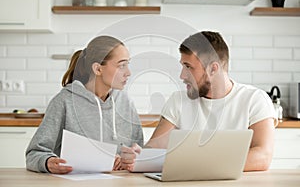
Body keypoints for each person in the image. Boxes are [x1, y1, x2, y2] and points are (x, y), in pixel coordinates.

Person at [120, 31, 276, 172]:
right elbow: (155, 148)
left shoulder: (255, 99)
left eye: (188, 67)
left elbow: (262, 156)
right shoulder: (178, 101)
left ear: (213, 69)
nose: (182, 75)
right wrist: (140, 156)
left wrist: (199, 164)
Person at [26, 36, 144, 174]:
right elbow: (33, 154)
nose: (128, 73)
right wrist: (48, 162)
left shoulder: (125, 102)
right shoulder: (65, 101)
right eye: (121, 65)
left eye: (128, 64)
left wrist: (133, 159)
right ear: (98, 69)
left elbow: (139, 153)